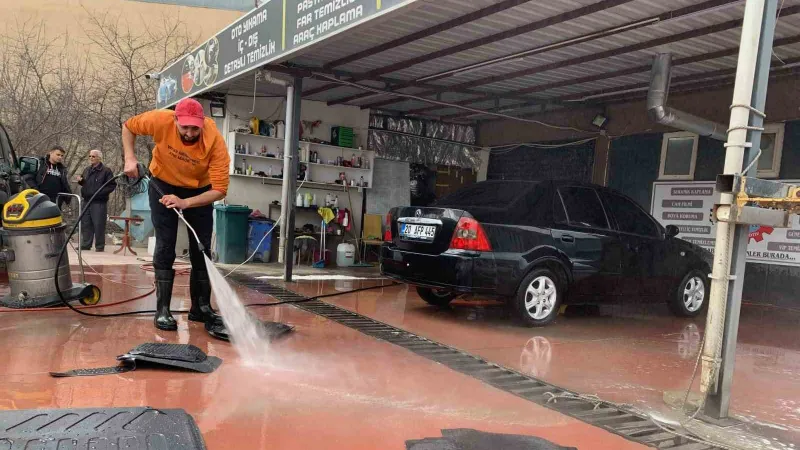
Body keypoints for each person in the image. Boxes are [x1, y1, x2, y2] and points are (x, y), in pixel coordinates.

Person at [122, 98, 230, 331]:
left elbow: (220, 189)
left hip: (199, 191)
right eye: (185, 127)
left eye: (195, 128)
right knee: (166, 243)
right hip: (163, 183)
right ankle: (162, 309)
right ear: (176, 120)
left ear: (202, 123)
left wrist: (185, 202)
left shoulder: (215, 141)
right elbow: (128, 126)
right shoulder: (160, 120)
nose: (190, 133)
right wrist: (129, 158)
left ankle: (200, 308)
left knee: (201, 247)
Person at [76, 150, 116, 252]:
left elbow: (112, 185)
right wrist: (81, 181)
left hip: (99, 202)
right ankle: (86, 244)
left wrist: (99, 193)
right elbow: (86, 184)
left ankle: (99, 246)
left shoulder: (106, 171)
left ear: (99, 158)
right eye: (89, 156)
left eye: (93, 156)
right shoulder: (87, 170)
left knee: (99, 224)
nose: (91, 158)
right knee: (86, 223)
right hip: (86, 200)